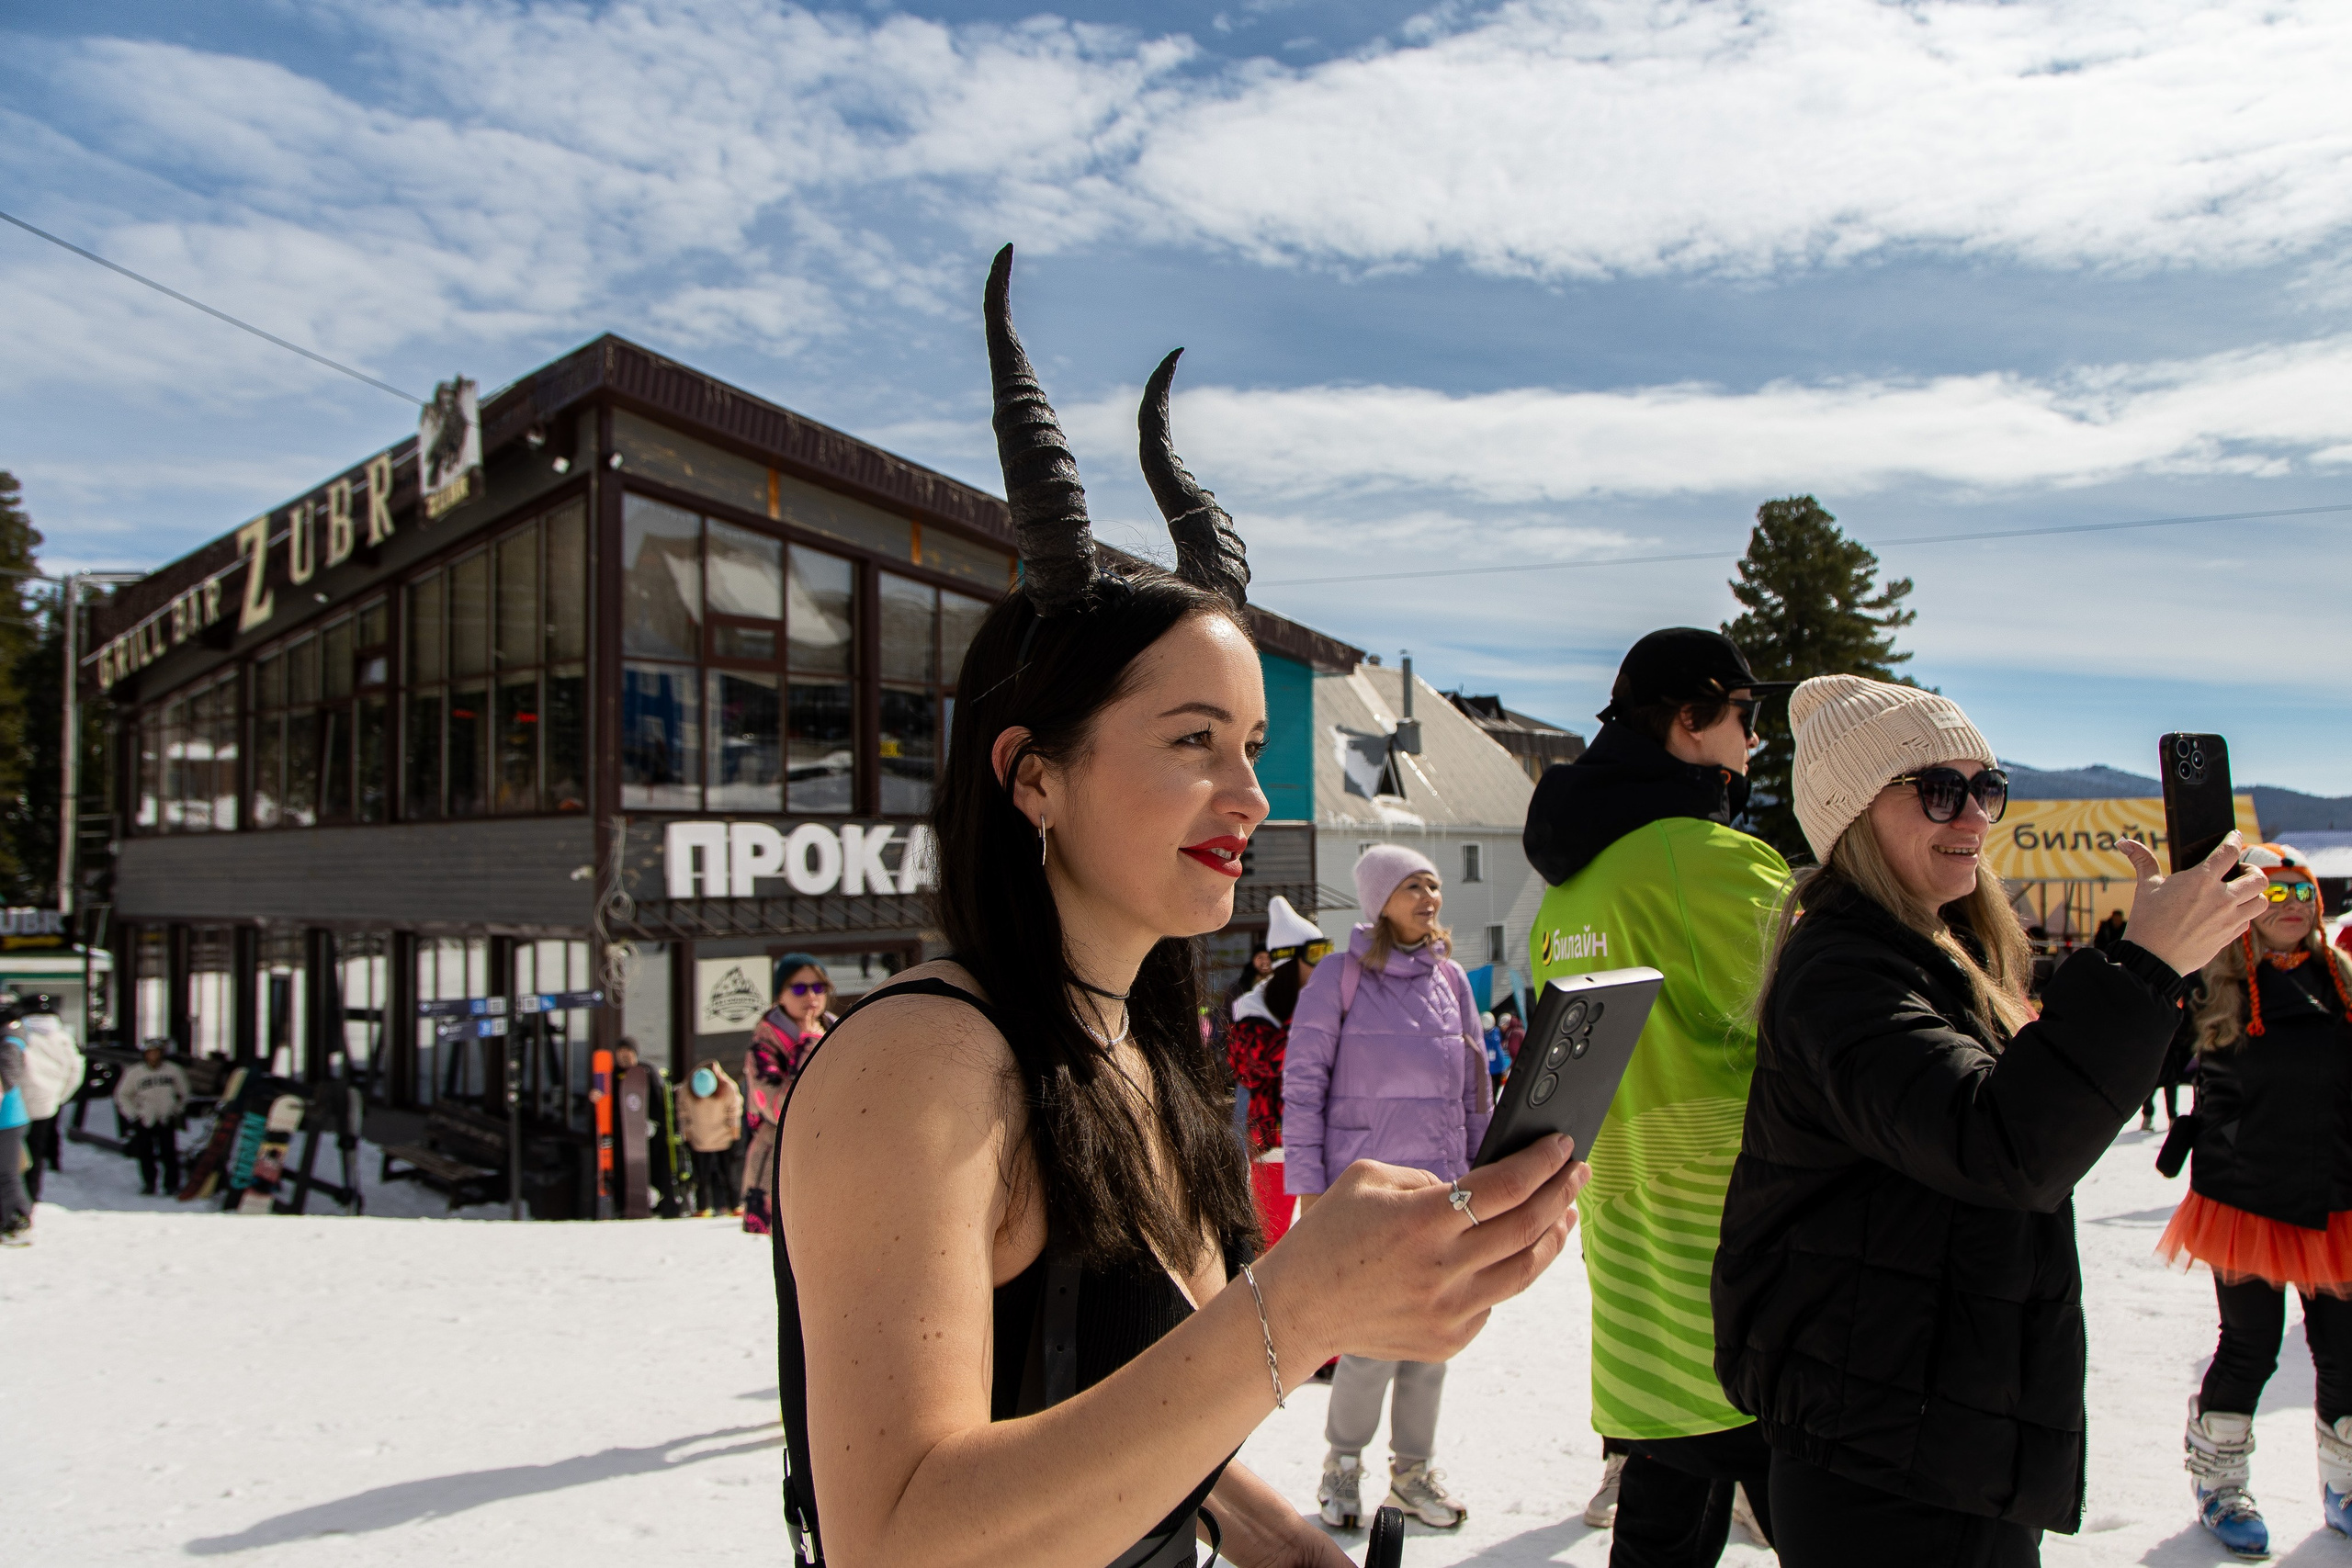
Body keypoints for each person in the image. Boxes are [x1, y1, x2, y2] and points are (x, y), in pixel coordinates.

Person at [769, 247, 1582, 1568]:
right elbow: (898, 1534)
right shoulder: (922, 1063)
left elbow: (1138, 1441)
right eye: (1195, 739)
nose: (1248, 795)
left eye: (1255, 744)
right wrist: (1296, 1304)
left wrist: (1291, 1544)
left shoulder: (1138, 1048)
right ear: (1034, 773)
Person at [1713, 673, 2266, 1568]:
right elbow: (2004, 1146)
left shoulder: (1931, 948)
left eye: (1986, 787)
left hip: (1933, 1425)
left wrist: (2145, 967)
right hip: (1885, 1459)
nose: (1972, 816)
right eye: (1937, 789)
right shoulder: (1844, 971)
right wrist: (2143, 967)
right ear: (1853, 813)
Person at [1521, 626, 1793, 1566]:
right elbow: (1816, 1037)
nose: (1753, 743)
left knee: (1662, 1532)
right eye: (1744, 717)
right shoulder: (1716, 862)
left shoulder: (1564, 889)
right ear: (1689, 721)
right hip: (1746, 1278)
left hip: (1636, 1278)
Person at [1284, 843, 1493, 1531]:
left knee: (1432, 1339)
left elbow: (1474, 1092)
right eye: (1413, 886)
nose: (1430, 897)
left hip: (1443, 1190)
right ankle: (1341, 1465)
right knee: (1371, 1340)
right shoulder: (1339, 977)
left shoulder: (1453, 980)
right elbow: (1304, 1084)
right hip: (1367, 1193)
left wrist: (1484, 1177)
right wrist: (1310, 1187)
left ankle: (1412, 1472)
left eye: (1434, 885)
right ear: (1379, 902)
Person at [2154, 844, 2352, 1553]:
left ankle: (2346, 1481)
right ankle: (2219, 1480)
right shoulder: (2214, 983)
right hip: (2246, 1201)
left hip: (2336, 1195)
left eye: (2302, 891)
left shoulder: (2344, 981)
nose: (2291, 905)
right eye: (2272, 894)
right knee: (2251, 1347)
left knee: (2346, 1349)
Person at [1226, 896, 1326, 1248]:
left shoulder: (1321, 1002)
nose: (1324, 963)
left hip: (1322, 1142)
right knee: (1271, 1243)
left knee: (1325, 1241)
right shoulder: (1253, 1010)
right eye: (1315, 954)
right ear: (1288, 960)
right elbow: (1256, 1068)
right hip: (1274, 1146)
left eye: (1326, 951)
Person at [741, 953, 833, 1236]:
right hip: (780, 1164)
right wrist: (808, 1047)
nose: (811, 996)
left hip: (832, 1157)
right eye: (799, 988)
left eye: (818, 988)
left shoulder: (841, 1029)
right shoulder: (764, 1045)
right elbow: (779, 1108)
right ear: (780, 995)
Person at [15, 997, 85, 1203]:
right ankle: (32, 1194)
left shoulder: (21, 1034)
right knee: (37, 1151)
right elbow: (75, 1070)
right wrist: (59, 1097)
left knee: (13, 1151)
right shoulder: (62, 1038)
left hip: (18, 1102)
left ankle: (16, 1195)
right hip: (48, 1102)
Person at [613, 1038, 685, 1218]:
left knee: (655, 1168)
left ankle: (659, 1205)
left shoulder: (646, 1072)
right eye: (620, 1054)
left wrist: (655, 1123)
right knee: (625, 1171)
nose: (624, 1058)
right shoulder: (613, 1076)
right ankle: (625, 1205)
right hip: (623, 1136)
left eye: (627, 1053)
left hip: (651, 1135)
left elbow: (660, 1102)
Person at [113, 1038, 190, 1197]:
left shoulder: (173, 1070)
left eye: (156, 1053)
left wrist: (177, 1109)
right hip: (144, 1118)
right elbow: (122, 1095)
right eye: (150, 1053)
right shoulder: (135, 1072)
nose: (153, 1056)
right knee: (145, 1153)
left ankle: (171, 1184)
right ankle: (149, 1183)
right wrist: (133, 1113)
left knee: (169, 1153)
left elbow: (184, 1093)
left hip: (166, 1117)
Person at [676, 1059, 745, 1216]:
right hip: (704, 1139)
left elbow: (733, 1113)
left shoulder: (727, 1087)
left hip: (719, 1139)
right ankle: (708, 1207)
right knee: (704, 1176)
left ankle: (730, 1205)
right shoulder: (688, 1089)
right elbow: (684, 1115)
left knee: (725, 1175)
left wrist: (734, 1138)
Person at [0, 1008, 30, 1244]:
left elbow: (7, 1079)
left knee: (7, 1174)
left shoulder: (10, 1041)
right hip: (10, 1116)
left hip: (6, 1118)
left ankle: (18, 1221)